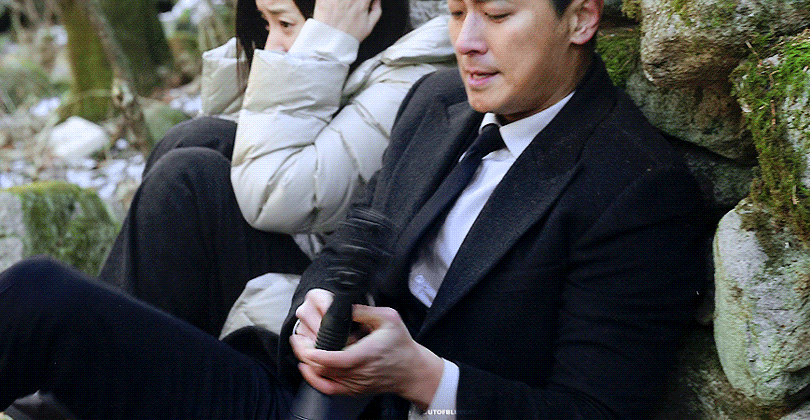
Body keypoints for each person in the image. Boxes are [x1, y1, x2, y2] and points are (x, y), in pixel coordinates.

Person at [0, 0, 707, 417]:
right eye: (456, 11)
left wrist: (422, 376)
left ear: (580, 18)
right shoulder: (438, 102)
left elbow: (592, 411)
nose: (466, 41)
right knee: (38, 296)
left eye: (497, 14)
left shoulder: (635, 188)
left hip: (408, 406)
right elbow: (351, 246)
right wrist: (316, 308)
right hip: (299, 390)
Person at [98, 0, 454, 336]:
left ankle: (112, 356)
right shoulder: (367, 60)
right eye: (265, 23)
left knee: (186, 179)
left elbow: (274, 195)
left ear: (357, 12)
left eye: (284, 23)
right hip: (316, 252)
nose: (271, 45)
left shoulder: (412, 77)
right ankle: (111, 346)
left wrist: (324, 47)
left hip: (339, 297)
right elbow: (243, 154)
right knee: (195, 138)